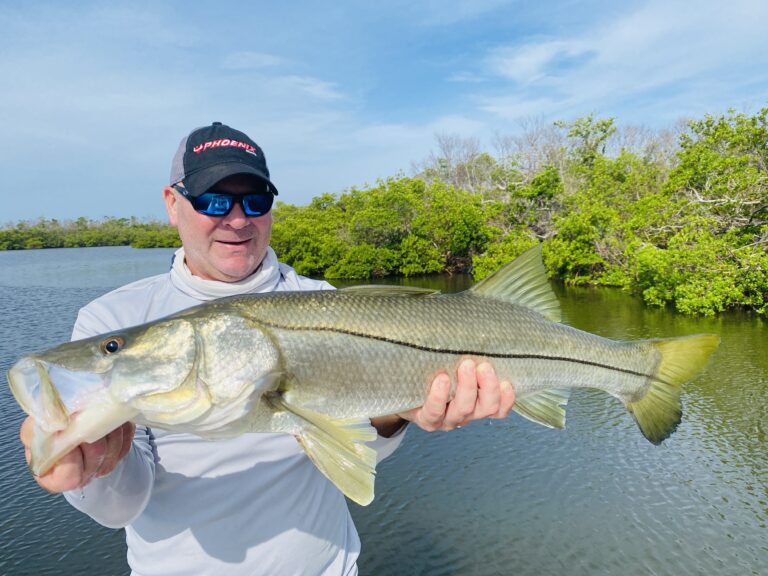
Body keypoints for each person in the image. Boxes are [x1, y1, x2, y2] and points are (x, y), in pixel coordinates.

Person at [19, 122, 516, 576]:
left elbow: (356, 445)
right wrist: (96, 469)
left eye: (254, 200)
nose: (237, 219)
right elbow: (120, 509)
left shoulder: (322, 301)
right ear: (173, 204)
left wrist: (398, 414)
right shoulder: (114, 318)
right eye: (214, 200)